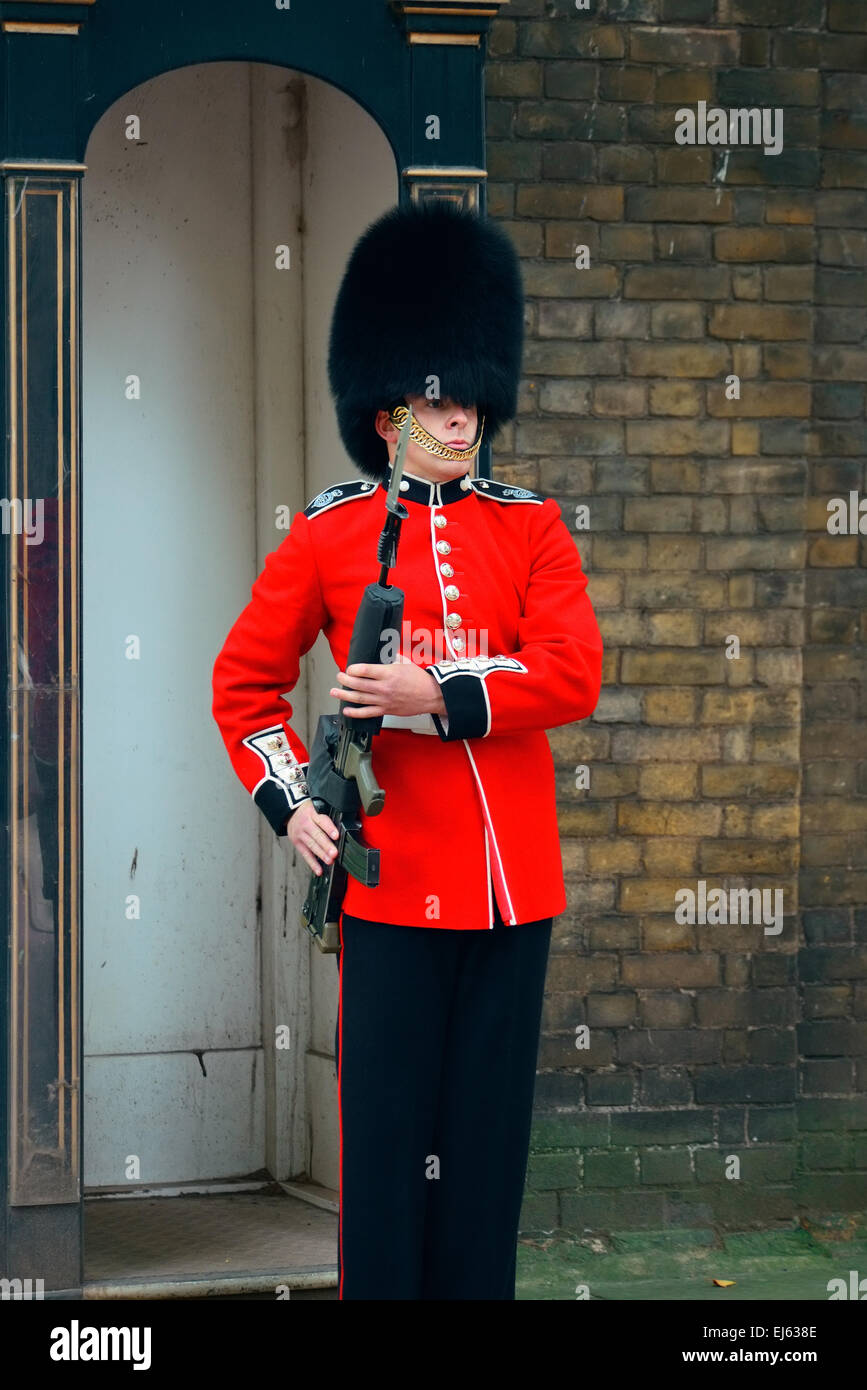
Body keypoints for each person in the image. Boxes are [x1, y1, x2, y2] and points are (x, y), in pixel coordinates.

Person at [211, 200, 604, 1300]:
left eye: (470, 390)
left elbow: (572, 669)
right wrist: (294, 802)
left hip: (513, 893)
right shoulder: (332, 535)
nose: (460, 410)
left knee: (484, 1162)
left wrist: (433, 688)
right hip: (391, 898)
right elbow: (241, 687)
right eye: (436, 393)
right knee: (387, 1162)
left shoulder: (532, 526)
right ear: (387, 411)